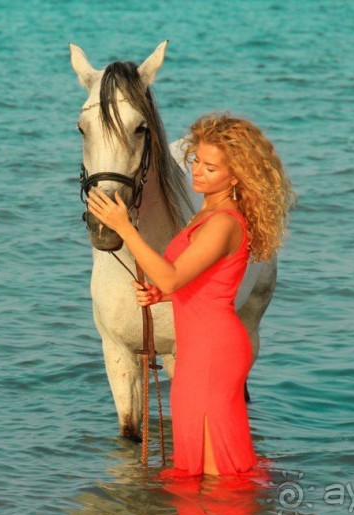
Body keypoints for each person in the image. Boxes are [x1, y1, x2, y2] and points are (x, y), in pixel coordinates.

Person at [85, 112, 296, 476]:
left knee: (216, 470)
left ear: (236, 175)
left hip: (213, 350)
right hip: (197, 347)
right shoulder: (205, 213)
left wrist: (125, 228)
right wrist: (161, 296)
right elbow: (205, 283)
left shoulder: (224, 222)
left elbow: (171, 277)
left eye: (210, 168)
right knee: (194, 456)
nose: (197, 171)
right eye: (196, 160)